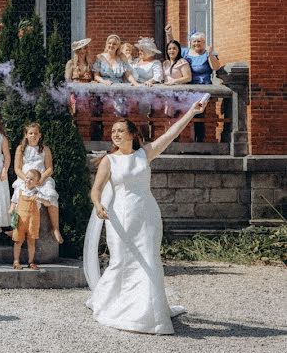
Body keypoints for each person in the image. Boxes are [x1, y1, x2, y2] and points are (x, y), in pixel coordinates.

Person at [87, 99, 207, 334]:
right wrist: (98, 204)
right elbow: (96, 189)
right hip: (119, 216)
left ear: (132, 134)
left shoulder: (145, 154)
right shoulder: (108, 160)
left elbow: (171, 134)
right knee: (120, 260)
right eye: (113, 132)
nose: (116, 135)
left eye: (120, 131)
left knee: (148, 259)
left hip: (147, 214)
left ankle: (149, 313)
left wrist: (192, 112)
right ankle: (109, 302)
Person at [13, 122, 64, 244]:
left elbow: (50, 168)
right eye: (30, 133)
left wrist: (41, 179)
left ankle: (55, 228)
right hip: (25, 179)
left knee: (51, 193)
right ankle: (15, 227)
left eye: (36, 133)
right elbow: (17, 168)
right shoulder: (21, 149)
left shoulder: (45, 149)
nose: (33, 136)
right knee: (18, 195)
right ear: (26, 135)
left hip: (41, 179)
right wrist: (26, 179)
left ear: (40, 135)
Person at [10, 169, 42, 270]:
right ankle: (16, 261)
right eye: (27, 178)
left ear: (37, 182)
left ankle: (31, 261)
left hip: (32, 221)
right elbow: (14, 201)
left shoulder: (38, 193)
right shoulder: (20, 190)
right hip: (20, 219)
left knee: (31, 241)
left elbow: (44, 204)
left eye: (32, 179)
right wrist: (11, 209)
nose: (28, 180)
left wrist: (39, 199)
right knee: (18, 241)